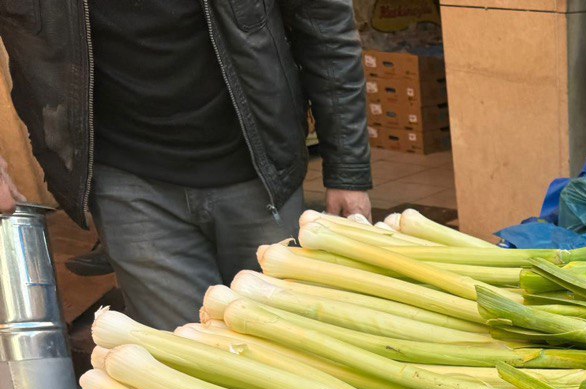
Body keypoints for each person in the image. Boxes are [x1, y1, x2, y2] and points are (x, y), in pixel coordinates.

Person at [0, 0, 373, 332]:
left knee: (291, 345)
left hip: (260, 172)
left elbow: (325, 29)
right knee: (187, 365)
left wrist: (348, 171)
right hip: (127, 184)